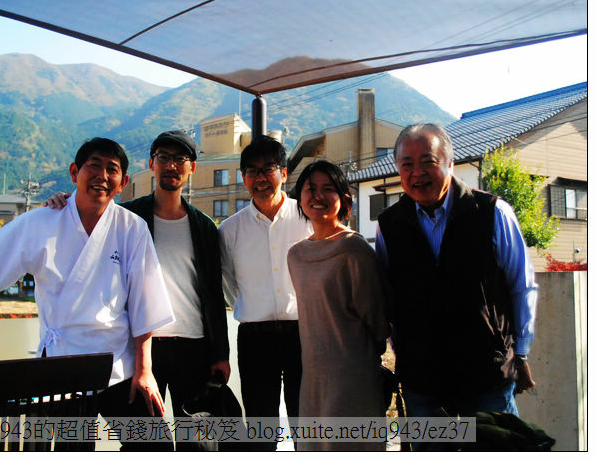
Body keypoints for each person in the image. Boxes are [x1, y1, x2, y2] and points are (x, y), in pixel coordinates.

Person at [0, 137, 175, 429]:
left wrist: (144, 369)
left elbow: (145, 301)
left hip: (118, 364)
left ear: (123, 181)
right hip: (62, 365)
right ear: (75, 172)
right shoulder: (41, 221)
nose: (102, 176)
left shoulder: (130, 227)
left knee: (155, 443)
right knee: (68, 449)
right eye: (94, 166)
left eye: (111, 170)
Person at [45, 131, 230, 451]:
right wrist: (60, 202)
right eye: (163, 158)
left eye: (180, 159)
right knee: (145, 440)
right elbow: (84, 214)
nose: (171, 165)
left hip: (193, 348)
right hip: (142, 348)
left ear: (192, 168)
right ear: (151, 164)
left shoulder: (204, 226)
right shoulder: (126, 216)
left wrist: (221, 353)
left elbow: (212, 293)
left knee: (195, 442)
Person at [375, 123, 537, 424]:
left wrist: (521, 352)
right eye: (406, 165)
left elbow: (521, 285)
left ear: (450, 163)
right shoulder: (389, 225)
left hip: (485, 374)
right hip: (423, 379)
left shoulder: (491, 212)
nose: (417, 173)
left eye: (428, 162)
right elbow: (388, 294)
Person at [218, 137, 312, 451]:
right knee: (261, 426)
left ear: (284, 173)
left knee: (306, 421)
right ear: (243, 177)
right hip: (255, 339)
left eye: (267, 169)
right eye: (251, 171)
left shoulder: (306, 218)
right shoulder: (229, 231)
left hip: (303, 334)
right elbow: (230, 284)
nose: (260, 178)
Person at [287, 161, 389, 451]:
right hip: (312, 379)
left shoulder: (354, 250)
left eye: (328, 189)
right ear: (300, 198)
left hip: (353, 375)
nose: (317, 196)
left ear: (345, 199)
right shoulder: (296, 255)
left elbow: (378, 322)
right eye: (310, 189)